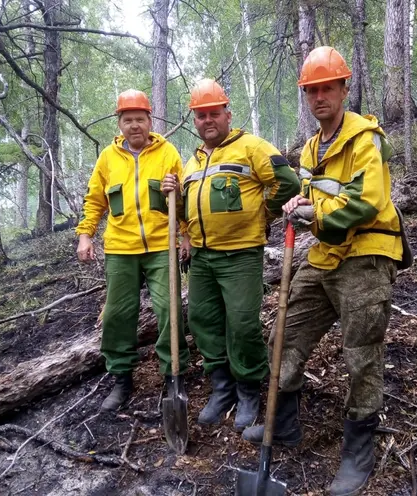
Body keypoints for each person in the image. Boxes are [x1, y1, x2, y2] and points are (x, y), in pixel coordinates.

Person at [241, 46, 405, 496]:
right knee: (284, 336)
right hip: (326, 256)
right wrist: (297, 204)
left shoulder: (366, 139)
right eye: (311, 90)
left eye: (327, 88)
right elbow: (315, 199)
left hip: (367, 256)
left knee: (361, 354)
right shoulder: (312, 147)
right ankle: (284, 423)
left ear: (344, 89)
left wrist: (314, 212)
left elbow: (367, 201)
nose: (319, 97)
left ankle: (358, 450)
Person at [161, 79, 300, 432]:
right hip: (203, 258)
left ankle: (249, 388)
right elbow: (188, 208)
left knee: (242, 324)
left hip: (240, 254)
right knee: (203, 321)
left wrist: (264, 214)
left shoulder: (251, 146)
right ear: (194, 119)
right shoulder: (191, 163)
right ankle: (222, 387)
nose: (207, 120)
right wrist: (185, 230)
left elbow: (287, 182)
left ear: (227, 114)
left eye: (214, 113)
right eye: (200, 115)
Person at [76, 89, 189, 412]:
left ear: (150, 121)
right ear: (120, 123)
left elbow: (183, 201)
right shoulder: (108, 159)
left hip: (160, 246)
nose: (134, 125)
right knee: (117, 315)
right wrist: (85, 235)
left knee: (170, 310)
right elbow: (95, 200)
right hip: (120, 248)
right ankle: (122, 377)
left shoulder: (167, 153)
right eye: (128, 120)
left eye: (140, 119)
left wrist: (185, 234)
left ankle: (173, 376)